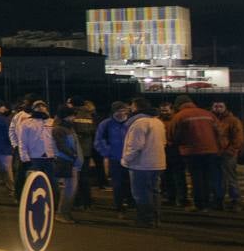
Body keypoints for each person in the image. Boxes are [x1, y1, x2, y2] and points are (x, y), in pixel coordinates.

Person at [170, 96, 220, 211]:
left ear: (178, 105)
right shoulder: (208, 114)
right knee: (207, 178)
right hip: (211, 150)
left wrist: (178, 145)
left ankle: (200, 204)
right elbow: (219, 131)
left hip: (192, 151)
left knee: (196, 178)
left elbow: (173, 135)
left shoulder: (179, 116)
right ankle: (208, 202)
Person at [122, 98, 167, 228]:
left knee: (141, 193)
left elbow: (135, 146)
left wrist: (126, 160)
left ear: (136, 107)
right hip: (158, 162)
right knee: (154, 192)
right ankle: (156, 218)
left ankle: (145, 220)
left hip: (141, 164)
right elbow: (163, 142)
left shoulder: (139, 123)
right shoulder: (158, 122)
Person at [94, 102, 133, 215]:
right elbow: (99, 141)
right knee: (117, 183)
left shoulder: (131, 123)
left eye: (123, 110)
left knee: (131, 182)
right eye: (118, 111)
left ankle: (131, 203)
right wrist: (108, 153)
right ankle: (119, 205)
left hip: (131, 158)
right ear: (113, 112)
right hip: (115, 159)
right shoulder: (105, 124)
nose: (121, 113)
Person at [14, 100, 56, 190]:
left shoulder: (52, 122)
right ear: (33, 109)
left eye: (43, 106)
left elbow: (55, 140)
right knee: (33, 185)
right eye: (38, 106)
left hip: (50, 158)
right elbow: (22, 141)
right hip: (34, 158)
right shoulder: (26, 123)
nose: (41, 108)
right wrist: (25, 158)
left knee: (52, 184)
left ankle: (53, 202)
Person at [211, 101, 244, 212]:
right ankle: (219, 200)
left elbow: (238, 137)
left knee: (230, 178)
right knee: (217, 179)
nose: (218, 108)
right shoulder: (211, 119)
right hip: (215, 153)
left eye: (220, 106)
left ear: (225, 108)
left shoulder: (233, 120)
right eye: (216, 106)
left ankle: (236, 201)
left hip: (227, 153)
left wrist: (232, 150)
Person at [53, 106, 84, 223]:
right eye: (72, 115)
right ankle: (62, 214)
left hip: (72, 163)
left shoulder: (68, 128)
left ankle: (65, 213)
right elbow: (62, 147)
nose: (74, 117)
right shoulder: (59, 129)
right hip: (67, 163)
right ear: (66, 116)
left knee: (70, 190)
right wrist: (74, 156)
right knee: (68, 190)